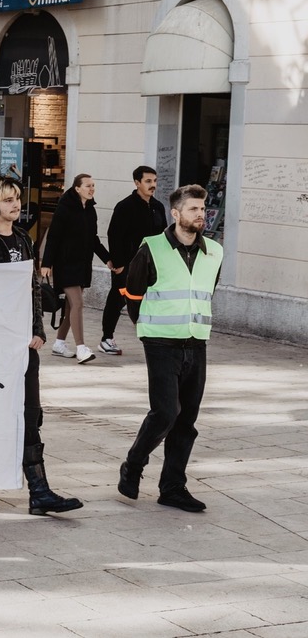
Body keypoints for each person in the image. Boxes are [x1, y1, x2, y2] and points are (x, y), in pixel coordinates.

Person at [0, 175, 83, 516]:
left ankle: (39, 491)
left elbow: (32, 290)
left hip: (23, 345)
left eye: (17, 199)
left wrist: (39, 329)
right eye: (9, 199)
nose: (16, 204)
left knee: (30, 414)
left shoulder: (24, 242)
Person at [117, 185, 221, 513]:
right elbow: (133, 294)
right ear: (176, 214)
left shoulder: (214, 252)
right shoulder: (152, 248)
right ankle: (133, 464)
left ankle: (173, 487)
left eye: (202, 209)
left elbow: (205, 292)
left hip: (196, 341)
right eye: (193, 209)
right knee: (166, 412)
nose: (200, 214)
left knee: (186, 420)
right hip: (160, 341)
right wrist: (147, 328)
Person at [40, 174, 114, 365]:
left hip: (82, 264)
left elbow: (93, 239)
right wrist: (46, 264)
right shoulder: (64, 208)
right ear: (77, 188)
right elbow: (53, 237)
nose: (92, 189)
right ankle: (81, 348)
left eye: (93, 186)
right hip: (65, 264)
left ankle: (59, 343)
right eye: (88, 186)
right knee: (78, 303)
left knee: (71, 306)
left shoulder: (90, 210)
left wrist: (107, 259)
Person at [100, 166, 168, 354]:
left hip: (153, 265)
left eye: (154, 181)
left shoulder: (158, 207)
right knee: (118, 299)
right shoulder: (125, 206)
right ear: (137, 183)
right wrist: (119, 263)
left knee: (152, 299)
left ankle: (154, 336)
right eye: (148, 181)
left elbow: (163, 234)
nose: (152, 185)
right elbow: (114, 235)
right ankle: (106, 338)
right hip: (128, 264)